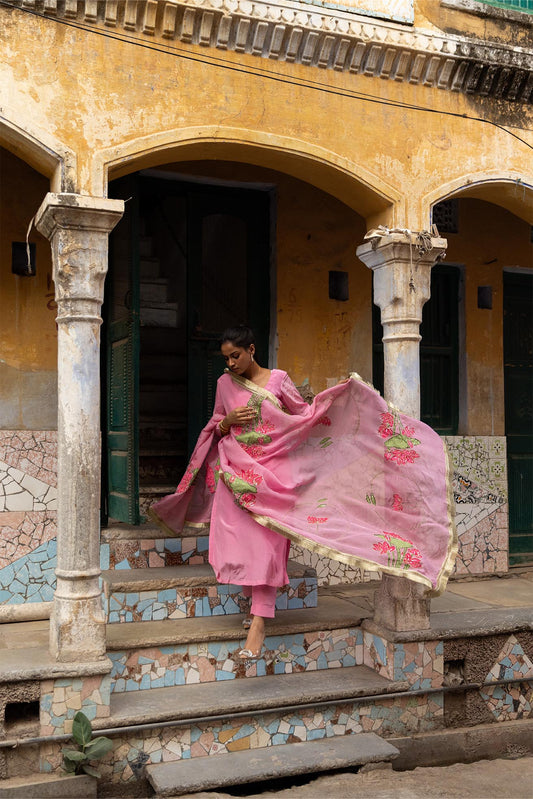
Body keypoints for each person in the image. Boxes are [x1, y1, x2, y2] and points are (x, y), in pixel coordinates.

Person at [150, 325, 456, 662]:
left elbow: (305, 419)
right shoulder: (225, 384)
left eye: (235, 356)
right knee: (239, 544)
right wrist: (227, 422)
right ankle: (255, 608)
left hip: (276, 479)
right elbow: (216, 425)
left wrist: (340, 398)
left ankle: (260, 621)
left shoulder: (279, 380)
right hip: (236, 473)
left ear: (252, 349)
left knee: (266, 547)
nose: (231, 364)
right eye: (226, 358)